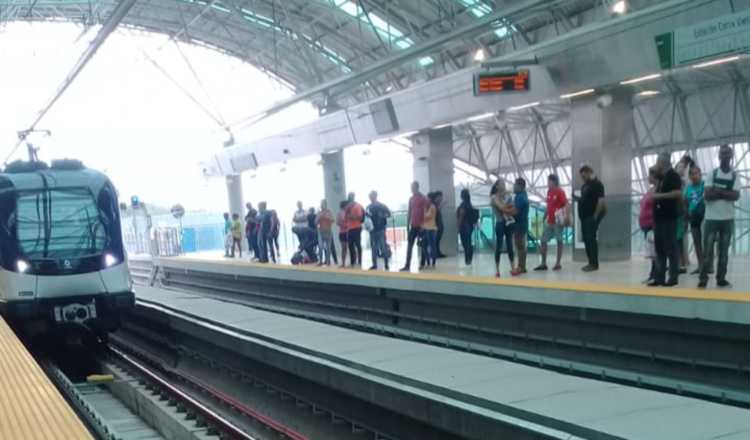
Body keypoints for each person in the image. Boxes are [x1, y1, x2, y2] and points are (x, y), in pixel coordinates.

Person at [699, 144, 739, 288]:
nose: (725, 156)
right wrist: (726, 193)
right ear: (719, 156)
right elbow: (707, 195)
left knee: (724, 252)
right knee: (707, 251)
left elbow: (736, 195)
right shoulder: (712, 173)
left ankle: (721, 278)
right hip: (711, 219)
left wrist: (717, 191)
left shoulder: (734, 175)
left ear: (731, 156)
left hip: (727, 219)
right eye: (722, 154)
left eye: (727, 154)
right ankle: (703, 279)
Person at [650, 152, 683, 287]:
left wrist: (659, 196)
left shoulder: (673, 176)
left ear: (662, 162)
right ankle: (659, 277)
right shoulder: (661, 177)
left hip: (668, 217)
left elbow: (677, 193)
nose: (656, 165)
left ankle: (673, 277)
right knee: (659, 248)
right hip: (659, 217)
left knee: (670, 247)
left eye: (657, 162)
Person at [534, 174, 569, 271]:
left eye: (549, 181)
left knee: (559, 240)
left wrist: (567, 217)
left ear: (554, 181)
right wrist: (544, 216)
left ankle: (558, 263)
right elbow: (548, 206)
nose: (547, 183)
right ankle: (543, 263)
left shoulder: (560, 191)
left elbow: (566, 203)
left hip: (558, 221)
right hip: (550, 221)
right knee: (543, 239)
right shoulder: (549, 192)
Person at [578, 165, 606, 272]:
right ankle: (590, 262)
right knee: (586, 240)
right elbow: (585, 200)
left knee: (591, 240)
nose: (583, 178)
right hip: (584, 218)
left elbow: (601, 201)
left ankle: (594, 264)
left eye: (584, 175)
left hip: (591, 217)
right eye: (581, 176)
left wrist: (595, 217)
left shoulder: (597, 184)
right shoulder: (584, 186)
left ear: (589, 172)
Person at [400, 181, 428, 272]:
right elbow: (409, 211)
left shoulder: (423, 198)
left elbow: (425, 212)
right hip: (413, 226)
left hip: (421, 226)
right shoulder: (411, 199)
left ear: (417, 187)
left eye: (413, 187)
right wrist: (407, 224)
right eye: (411, 187)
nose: (411, 189)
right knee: (409, 245)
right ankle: (407, 265)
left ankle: (422, 264)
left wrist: (424, 225)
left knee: (422, 246)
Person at [491, 180, 515, 277]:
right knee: (499, 246)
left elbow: (511, 206)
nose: (504, 186)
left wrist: (508, 204)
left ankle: (513, 267)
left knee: (510, 245)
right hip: (500, 223)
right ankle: (497, 269)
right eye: (502, 184)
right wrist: (508, 205)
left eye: (504, 184)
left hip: (508, 222)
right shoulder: (494, 197)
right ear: (497, 186)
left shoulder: (507, 197)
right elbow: (501, 208)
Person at [684, 165, 705, 275]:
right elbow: (686, 204)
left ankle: (708, 265)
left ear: (700, 174)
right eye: (691, 174)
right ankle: (701, 266)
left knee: (706, 242)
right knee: (697, 243)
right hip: (693, 218)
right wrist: (686, 220)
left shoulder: (705, 185)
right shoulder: (688, 188)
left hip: (704, 217)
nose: (694, 176)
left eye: (696, 173)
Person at [676, 155, 695, 272]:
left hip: (682, 209)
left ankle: (683, 260)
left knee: (681, 236)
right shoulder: (685, 180)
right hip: (682, 209)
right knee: (682, 235)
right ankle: (683, 259)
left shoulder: (685, 181)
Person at [640, 167, 658, 283]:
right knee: (652, 253)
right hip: (647, 226)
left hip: (653, 225)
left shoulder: (658, 190)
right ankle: (652, 274)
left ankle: (656, 275)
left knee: (655, 252)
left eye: (650, 175)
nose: (648, 177)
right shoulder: (651, 190)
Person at [366, 191, 392, 271]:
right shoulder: (369, 207)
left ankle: (386, 264)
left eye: (372, 196)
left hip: (380, 229)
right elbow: (366, 218)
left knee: (382, 247)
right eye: (370, 196)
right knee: (374, 248)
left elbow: (389, 214)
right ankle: (375, 265)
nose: (371, 198)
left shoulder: (381, 206)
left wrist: (383, 215)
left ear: (375, 196)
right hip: (374, 230)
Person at [511, 178, 530, 276]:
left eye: (515, 185)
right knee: (521, 246)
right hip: (522, 224)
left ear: (520, 186)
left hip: (520, 224)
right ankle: (522, 266)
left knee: (520, 246)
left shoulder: (520, 197)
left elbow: (515, 211)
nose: (513, 187)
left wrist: (504, 210)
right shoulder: (524, 195)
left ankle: (521, 267)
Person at [456, 189, 478, 265]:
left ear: (462, 196)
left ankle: (467, 259)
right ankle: (469, 259)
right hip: (470, 225)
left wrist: (458, 227)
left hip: (464, 226)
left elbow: (461, 216)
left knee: (465, 243)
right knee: (468, 242)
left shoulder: (463, 205)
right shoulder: (469, 204)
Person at [345, 193, 365, 267]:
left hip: (357, 228)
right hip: (349, 228)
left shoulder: (357, 206)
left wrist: (352, 217)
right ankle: (352, 261)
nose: (350, 198)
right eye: (349, 197)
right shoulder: (347, 207)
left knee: (358, 244)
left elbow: (360, 217)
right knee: (350, 245)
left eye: (351, 196)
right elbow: (345, 217)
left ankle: (359, 261)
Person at [421, 192, 439, 269]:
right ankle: (428, 261)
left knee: (432, 246)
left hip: (431, 229)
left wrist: (423, 213)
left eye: (427, 198)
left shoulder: (432, 207)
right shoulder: (426, 207)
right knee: (423, 246)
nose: (426, 200)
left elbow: (427, 217)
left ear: (430, 199)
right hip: (425, 229)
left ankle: (433, 263)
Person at [316, 200, 335, 266]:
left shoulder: (329, 212)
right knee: (320, 247)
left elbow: (333, 220)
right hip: (320, 231)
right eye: (321, 204)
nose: (321, 205)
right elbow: (315, 222)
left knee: (328, 247)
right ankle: (320, 261)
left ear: (325, 205)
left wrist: (327, 217)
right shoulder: (319, 213)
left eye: (323, 204)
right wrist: (319, 218)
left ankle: (328, 261)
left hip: (328, 231)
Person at [434, 191, 447, 258]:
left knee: (438, 240)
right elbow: (436, 212)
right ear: (437, 197)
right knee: (436, 240)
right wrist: (442, 204)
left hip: (439, 225)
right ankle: (436, 253)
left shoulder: (437, 204)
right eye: (440, 197)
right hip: (436, 226)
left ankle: (438, 253)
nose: (441, 198)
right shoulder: (434, 204)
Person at [337, 200, 349, 268]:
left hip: (348, 231)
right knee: (344, 248)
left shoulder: (348, 212)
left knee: (349, 247)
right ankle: (343, 263)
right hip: (342, 232)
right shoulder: (340, 213)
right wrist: (344, 225)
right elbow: (337, 222)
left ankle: (353, 262)